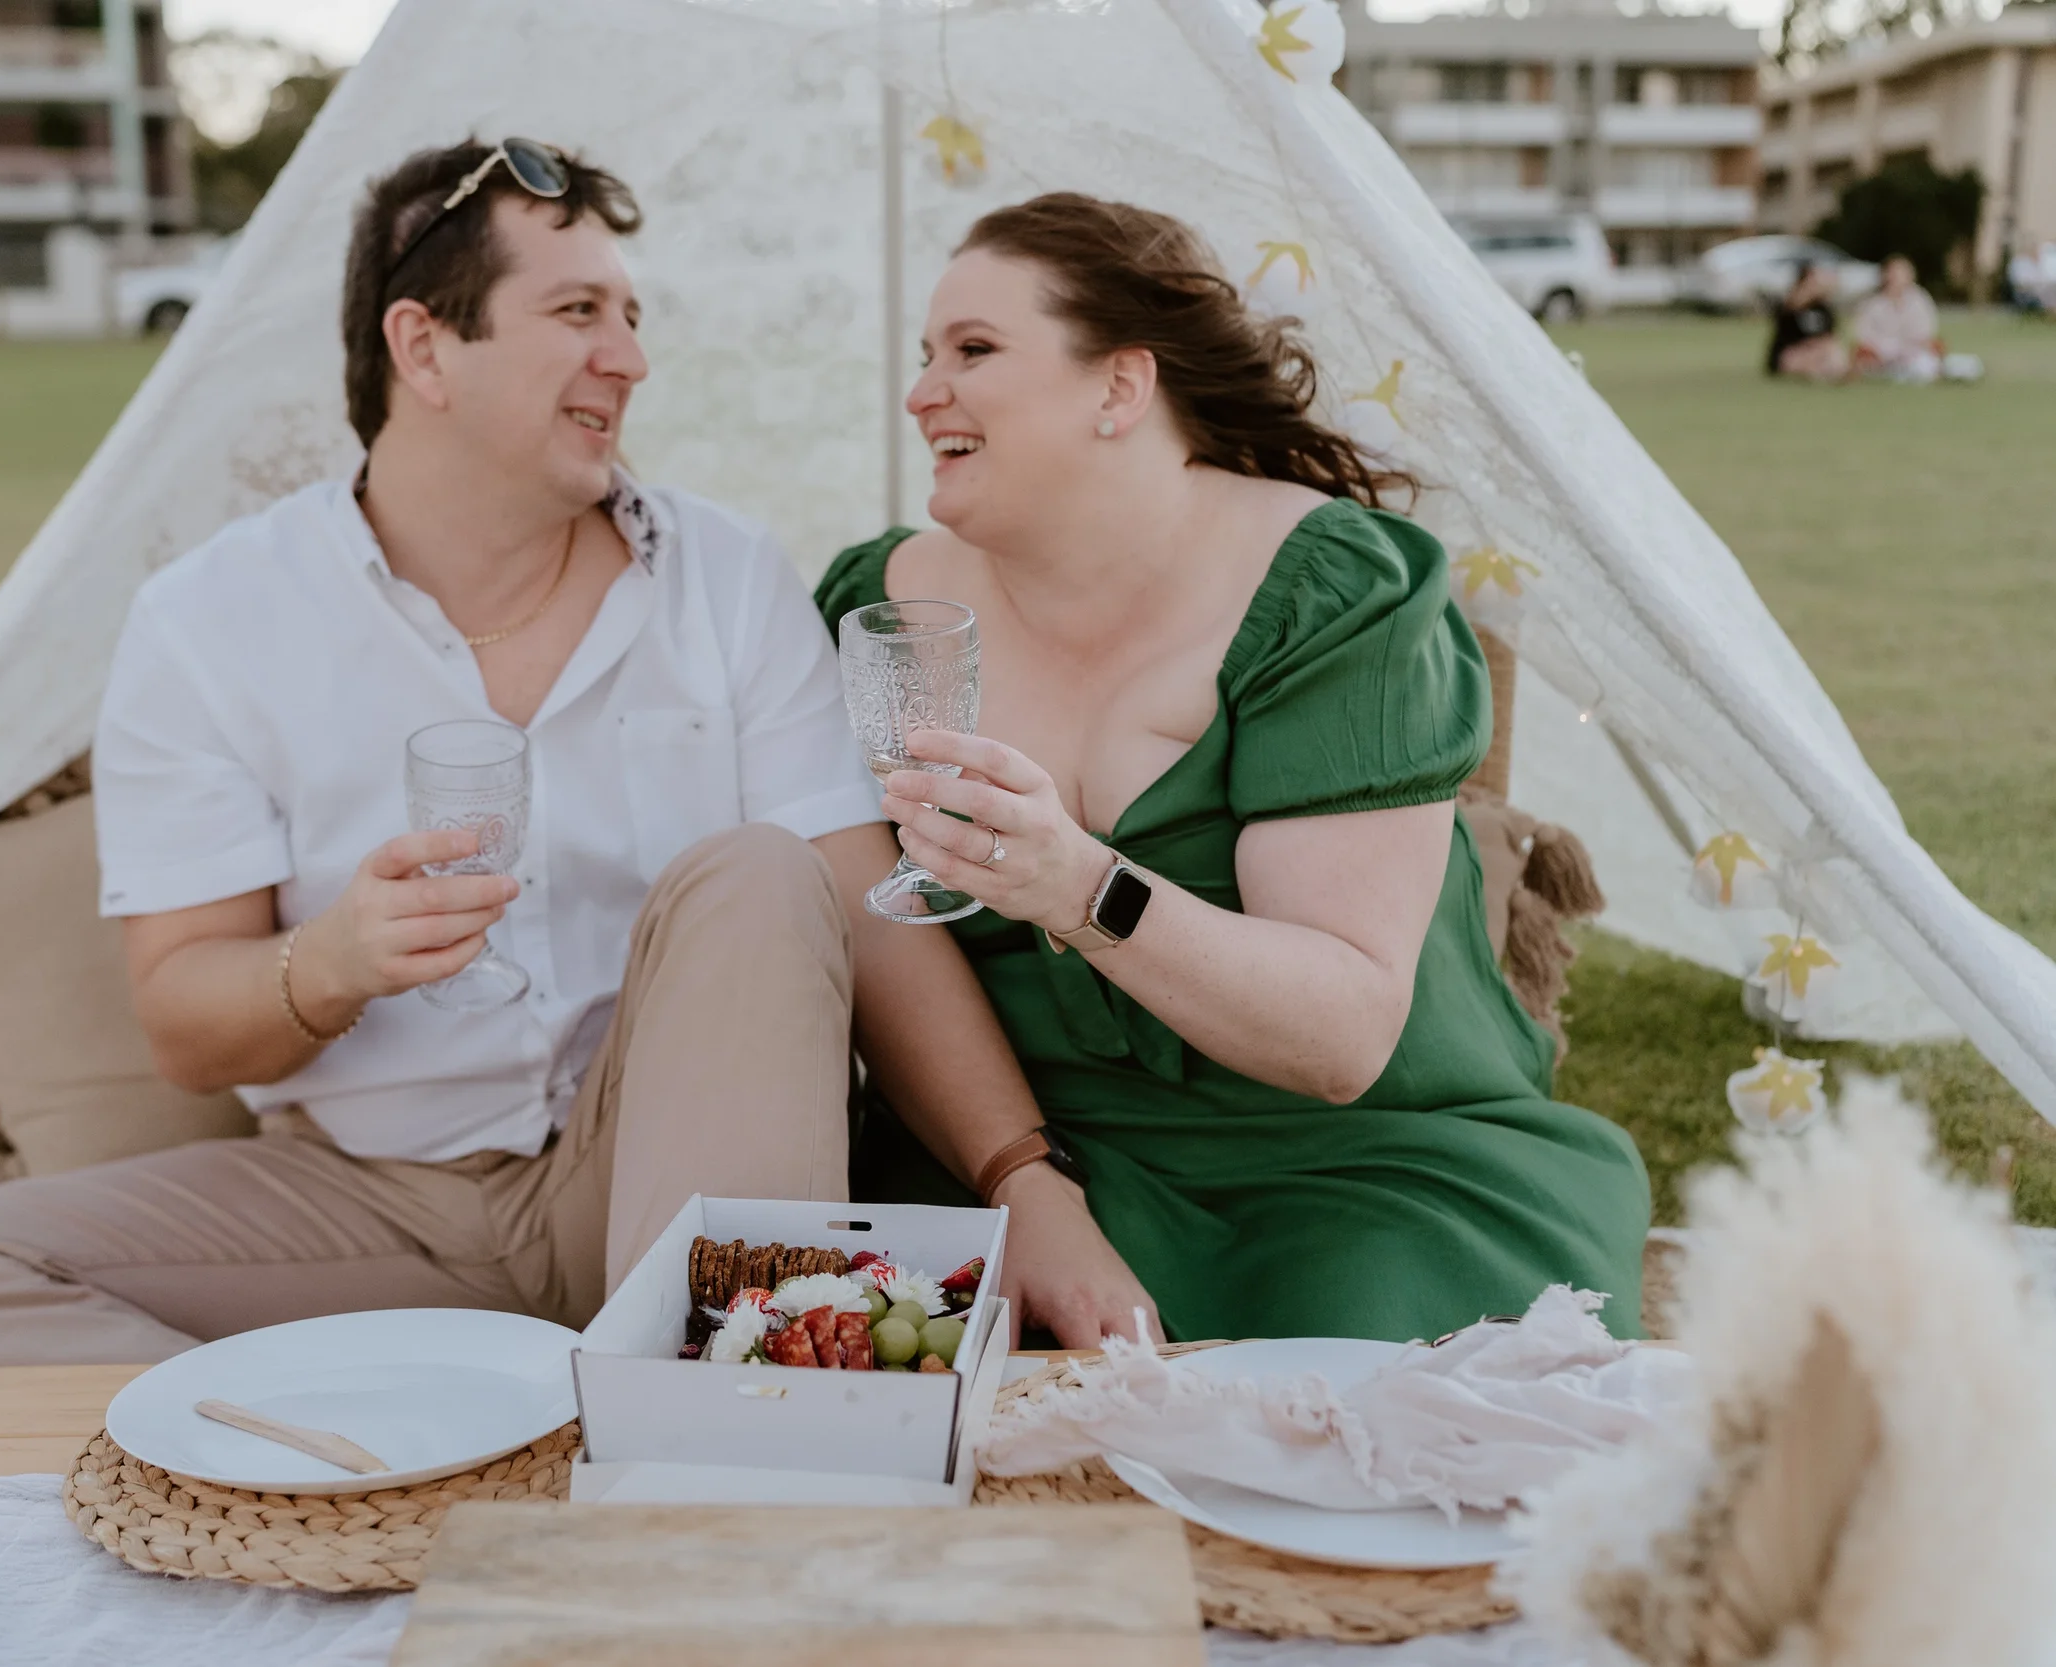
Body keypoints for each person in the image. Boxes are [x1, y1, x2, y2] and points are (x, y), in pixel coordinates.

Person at [0, 139, 900, 1416]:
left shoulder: (721, 572)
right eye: (576, 312)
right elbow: (182, 1021)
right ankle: (359, 1456)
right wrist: (335, 958)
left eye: (629, 314)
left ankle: (708, 1423)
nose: (630, 356)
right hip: (372, 1199)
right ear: (424, 345)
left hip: (662, 1174)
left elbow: (867, 910)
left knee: (762, 872)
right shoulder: (211, 618)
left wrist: (1018, 1170)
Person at [816, 193, 1653, 1349]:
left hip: (1348, 1166)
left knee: (1346, 1399)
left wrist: (1078, 888)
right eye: (925, 356)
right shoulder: (874, 612)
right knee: (852, 1369)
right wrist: (1023, 1180)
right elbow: (876, 944)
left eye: (973, 351)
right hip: (1003, 1151)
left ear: (1120, 386)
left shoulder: (1333, 593)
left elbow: (1342, 1037)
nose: (921, 393)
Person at [1852, 256, 1945, 382]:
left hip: (1912, 351)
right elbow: (1863, 334)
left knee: (1926, 363)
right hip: (1882, 354)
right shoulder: (1873, 303)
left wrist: (1909, 347)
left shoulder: (1919, 300)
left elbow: (1926, 331)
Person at [1767, 262, 1847, 382]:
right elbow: (1783, 327)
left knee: (1832, 350)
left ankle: (1837, 372)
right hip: (1793, 352)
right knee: (1802, 359)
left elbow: (1829, 336)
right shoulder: (1789, 308)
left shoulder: (1822, 309)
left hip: (1815, 351)